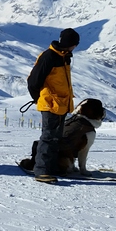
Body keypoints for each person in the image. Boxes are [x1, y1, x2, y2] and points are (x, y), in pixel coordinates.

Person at [27, 28, 80, 184]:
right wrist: (39, 98)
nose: (75, 47)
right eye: (75, 44)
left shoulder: (64, 57)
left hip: (61, 104)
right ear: (71, 44)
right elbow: (33, 81)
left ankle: (50, 168)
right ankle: (41, 171)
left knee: (56, 138)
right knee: (49, 137)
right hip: (51, 104)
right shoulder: (49, 57)